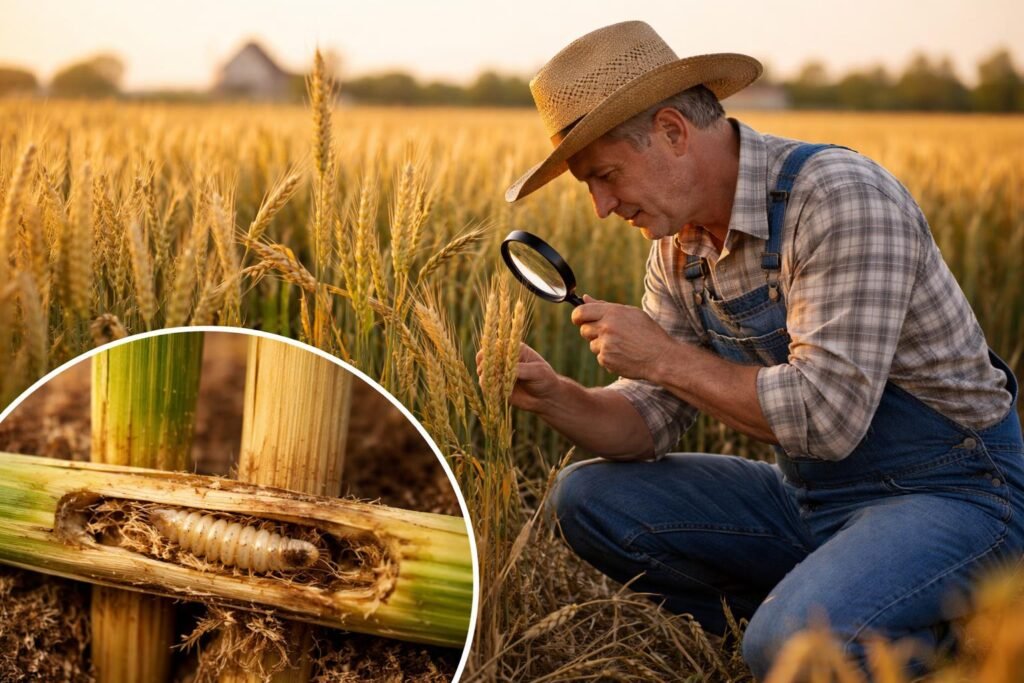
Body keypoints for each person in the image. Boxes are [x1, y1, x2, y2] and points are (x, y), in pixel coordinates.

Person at [495, 20, 1024, 677]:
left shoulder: (839, 199)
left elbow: (826, 420)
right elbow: (646, 422)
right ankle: (845, 613)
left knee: (784, 644)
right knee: (585, 498)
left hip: (958, 495)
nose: (601, 206)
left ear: (672, 132)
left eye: (605, 176)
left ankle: (918, 642)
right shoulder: (678, 247)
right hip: (814, 501)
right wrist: (555, 396)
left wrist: (661, 355)